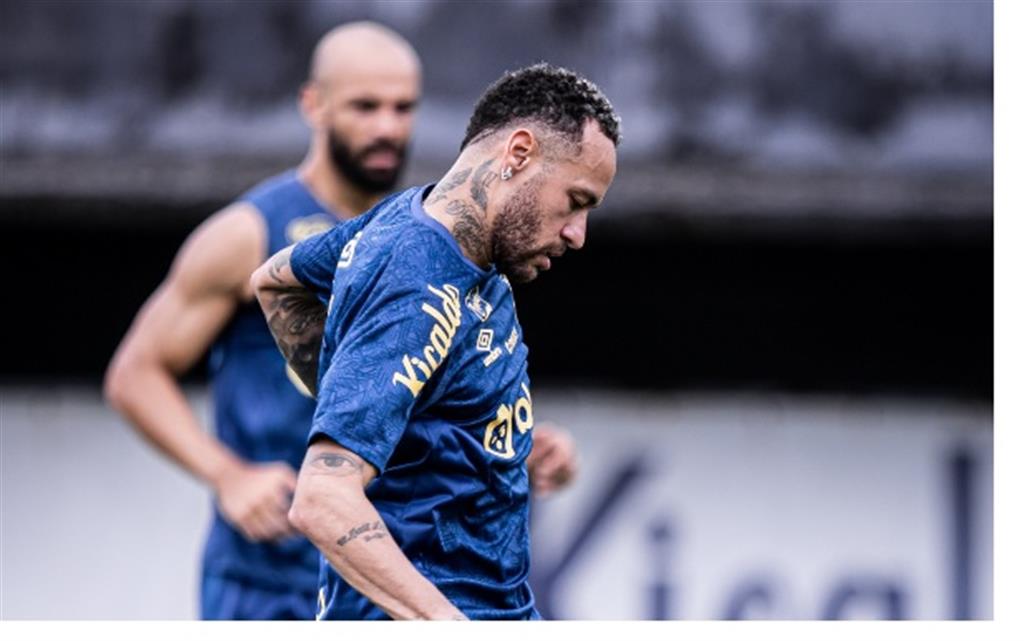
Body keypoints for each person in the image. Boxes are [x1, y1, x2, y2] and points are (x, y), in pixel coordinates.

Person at [104, 22, 579, 620]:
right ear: (313, 104)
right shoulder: (249, 232)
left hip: (383, 574)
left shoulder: (429, 237)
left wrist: (501, 440)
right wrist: (229, 476)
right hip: (269, 575)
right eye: (365, 107)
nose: (387, 127)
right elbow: (135, 374)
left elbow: (419, 389)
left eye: (403, 108)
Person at [250, 63, 620, 620]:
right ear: (519, 153)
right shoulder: (413, 274)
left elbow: (278, 280)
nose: (577, 234)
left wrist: (480, 438)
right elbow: (323, 499)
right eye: (575, 200)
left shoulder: (430, 231)